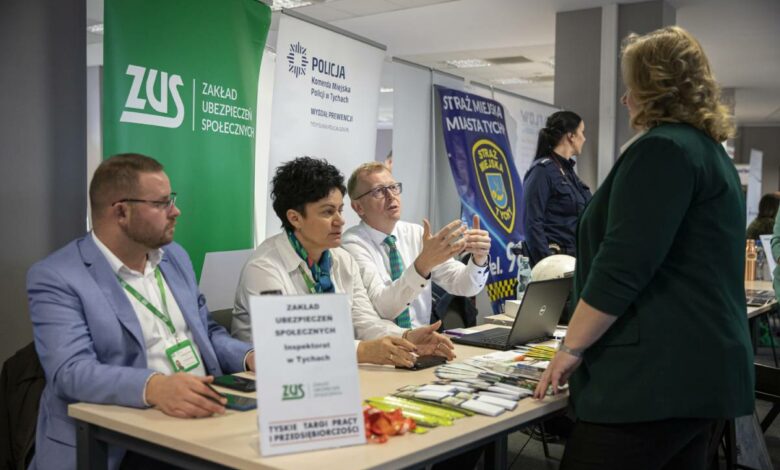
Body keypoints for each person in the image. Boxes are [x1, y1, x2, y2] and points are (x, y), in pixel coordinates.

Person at [534, 26, 754, 470]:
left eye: (630, 85)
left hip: (653, 379)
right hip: (696, 374)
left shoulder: (663, 151)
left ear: (653, 86)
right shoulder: (710, 153)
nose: (624, 99)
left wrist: (570, 349)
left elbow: (623, 265)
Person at [27, 154, 255, 469]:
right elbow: (70, 372)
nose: (176, 211)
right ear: (121, 211)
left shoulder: (174, 257)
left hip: (205, 417)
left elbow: (208, 331)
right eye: (162, 203)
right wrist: (154, 386)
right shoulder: (58, 276)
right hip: (121, 441)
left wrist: (249, 356)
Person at [232, 157, 455, 367]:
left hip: (331, 375)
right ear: (295, 218)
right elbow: (288, 347)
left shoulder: (341, 259)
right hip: (271, 384)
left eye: (340, 210)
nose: (341, 221)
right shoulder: (264, 269)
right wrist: (363, 351)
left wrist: (406, 337)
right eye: (328, 212)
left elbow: (365, 322)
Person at [342, 162, 490, 328]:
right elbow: (384, 309)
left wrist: (479, 259)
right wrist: (423, 265)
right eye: (378, 191)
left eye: (393, 187)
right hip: (381, 346)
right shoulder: (351, 244)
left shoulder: (415, 233)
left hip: (424, 343)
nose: (391, 196)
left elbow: (464, 285)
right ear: (358, 207)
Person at [522, 111, 592, 267]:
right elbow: (532, 223)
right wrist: (546, 264)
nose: (584, 138)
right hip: (555, 264)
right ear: (571, 136)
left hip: (576, 261)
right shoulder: (542, 171)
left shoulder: (569, 173)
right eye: (582, 132)